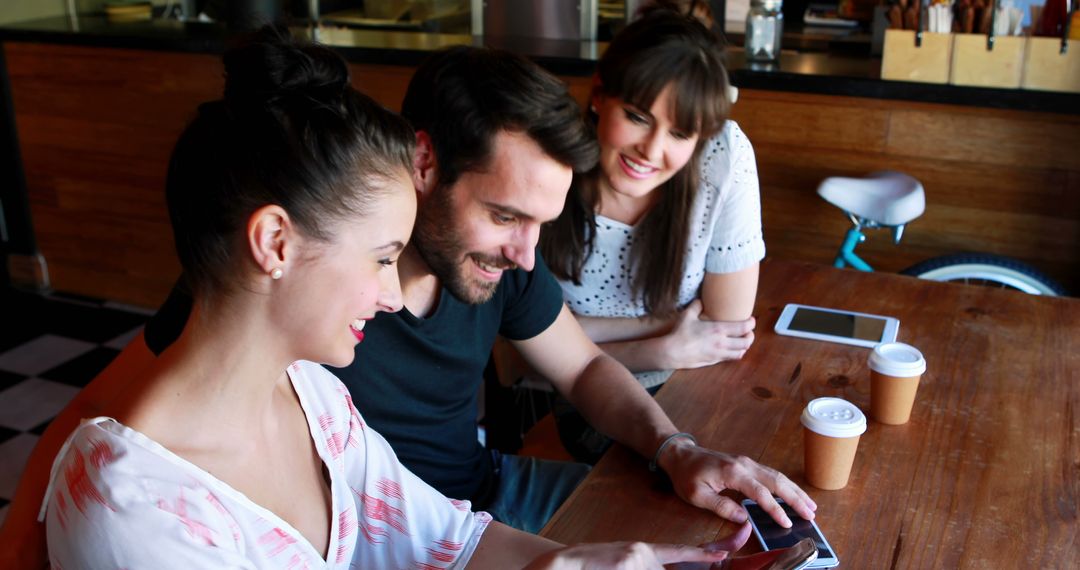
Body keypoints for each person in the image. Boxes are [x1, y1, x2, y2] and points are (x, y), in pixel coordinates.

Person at [0, 33, 815, 569]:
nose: (528, 252)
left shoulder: (315, 395)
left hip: (463, 498)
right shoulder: (151, 476)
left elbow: (444, 520)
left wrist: (653, 469)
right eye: (504, 216)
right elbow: (94, 440)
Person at [539, 6, 765, 463]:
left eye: (680, 133)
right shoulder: (547, 161)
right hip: (573, 400)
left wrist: (574, 333)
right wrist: (662, 348)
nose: (652, 151)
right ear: (600, 94)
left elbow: (726, 326)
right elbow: (516, 350)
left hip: (693, 382)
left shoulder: (723, 157)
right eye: (638, 117)